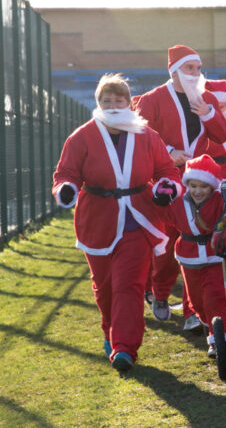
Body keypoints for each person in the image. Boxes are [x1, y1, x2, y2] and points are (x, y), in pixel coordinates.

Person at [53, 73, 181, 372]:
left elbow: (167, 169)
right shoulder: (82, 136)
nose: (113, 105)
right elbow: (65, 174)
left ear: (129, 103)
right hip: (97, 218)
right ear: (98, 103)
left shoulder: (147, 135)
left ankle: (125, 347)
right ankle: (110, 330)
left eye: (119, 100)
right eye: (106, 101)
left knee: (130, 284)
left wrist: (167, 187)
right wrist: (66, 190)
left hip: (138, 217)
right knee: (104, 286)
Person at [134, 45, 226, 326]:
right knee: (167, 244)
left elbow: (222, 134)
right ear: (174, 70)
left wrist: (209, 112)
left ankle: (192, 312)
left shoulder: (205, 96)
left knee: (196, 241)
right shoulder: (153, 99)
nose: (196, 74)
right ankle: (161, 293)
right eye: (190, 68)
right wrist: (168, 150)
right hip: (167, 181)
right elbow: (140, 136)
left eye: (199, 69)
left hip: (199, 181)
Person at [159, 154, 226, 358]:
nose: (198, 191)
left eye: (204, 186)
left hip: (214, 256)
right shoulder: (178, 202)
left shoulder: (220, 201)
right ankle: (213, 327)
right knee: (197, 301)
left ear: (212, 187)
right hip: (189, 257)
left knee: (214, 297)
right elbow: (163, 214)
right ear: (187, 184)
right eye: (194, 186)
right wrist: (159, 197)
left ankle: (219, 337)